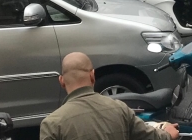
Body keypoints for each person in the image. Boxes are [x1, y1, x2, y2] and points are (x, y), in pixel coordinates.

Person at [40, 52, 177, 140]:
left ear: (62, 81)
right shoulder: (119, 109)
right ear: (92, 76)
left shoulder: (52, 124)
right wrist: (168, 134)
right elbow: (149, 136)